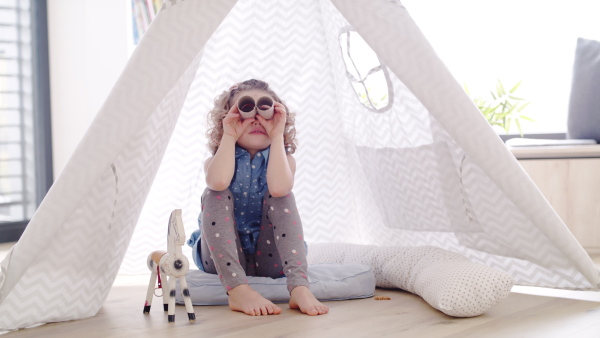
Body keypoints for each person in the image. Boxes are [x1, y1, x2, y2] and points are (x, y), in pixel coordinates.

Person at [188, 79, 329, 316]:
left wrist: (276, 136)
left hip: (270, 260)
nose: (255, 119)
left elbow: (279, 189)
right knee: (215, 194)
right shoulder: (216, 162)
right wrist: (230, 134)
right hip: (221, 257)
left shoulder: (285, 162)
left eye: (265, 110)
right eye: (245, 111)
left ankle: (299, 287)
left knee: (282, 195)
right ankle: (237, 289)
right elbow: (219, 182)